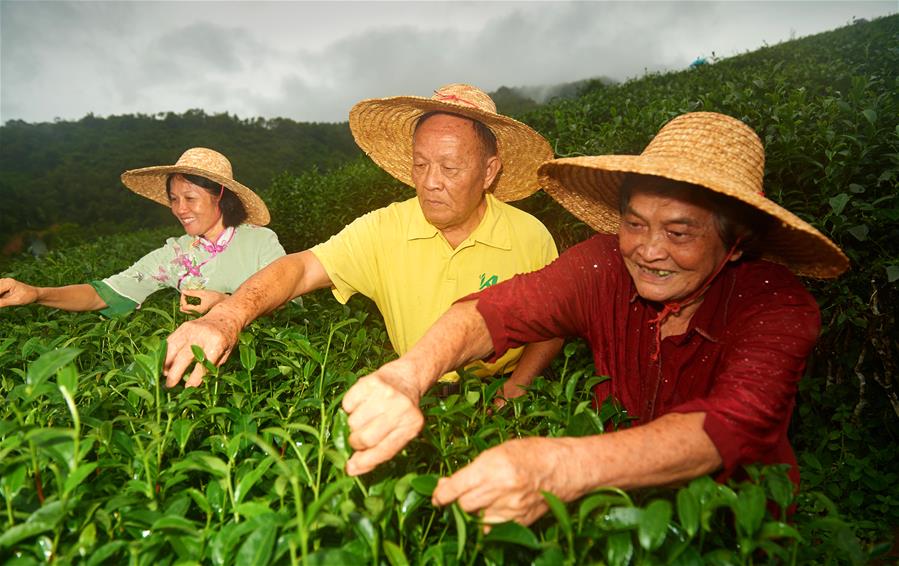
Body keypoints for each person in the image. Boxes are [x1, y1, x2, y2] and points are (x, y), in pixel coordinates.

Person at [339, 112, 849, 526]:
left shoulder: (775, 305)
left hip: (732, 528)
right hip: (613, 511)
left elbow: (726, 425)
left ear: (735, 241)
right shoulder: (602, 264)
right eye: (635, 224)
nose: (649, 251)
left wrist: (558, 465)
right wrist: (406, 376)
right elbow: (492, 312)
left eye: (679, 233)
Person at [162, 84, 562, 390]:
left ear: (489, 172)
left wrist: (514, 391)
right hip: (415, 390)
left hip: (501, 391)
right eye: (420, 164)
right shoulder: (385, 228)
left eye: (450, 168)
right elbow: (300, 269)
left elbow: (553, 325)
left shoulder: (529, 237)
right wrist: (228, 317)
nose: (430, 183)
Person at [0, 147, 285, 321]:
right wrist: (36, 293)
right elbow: (104, 294)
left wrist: (227, 305)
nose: (179, 209)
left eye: (190, 197)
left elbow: (291, 306)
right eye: (174, 199)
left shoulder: (260, 241)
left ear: (220, 195)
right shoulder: (175, 254)